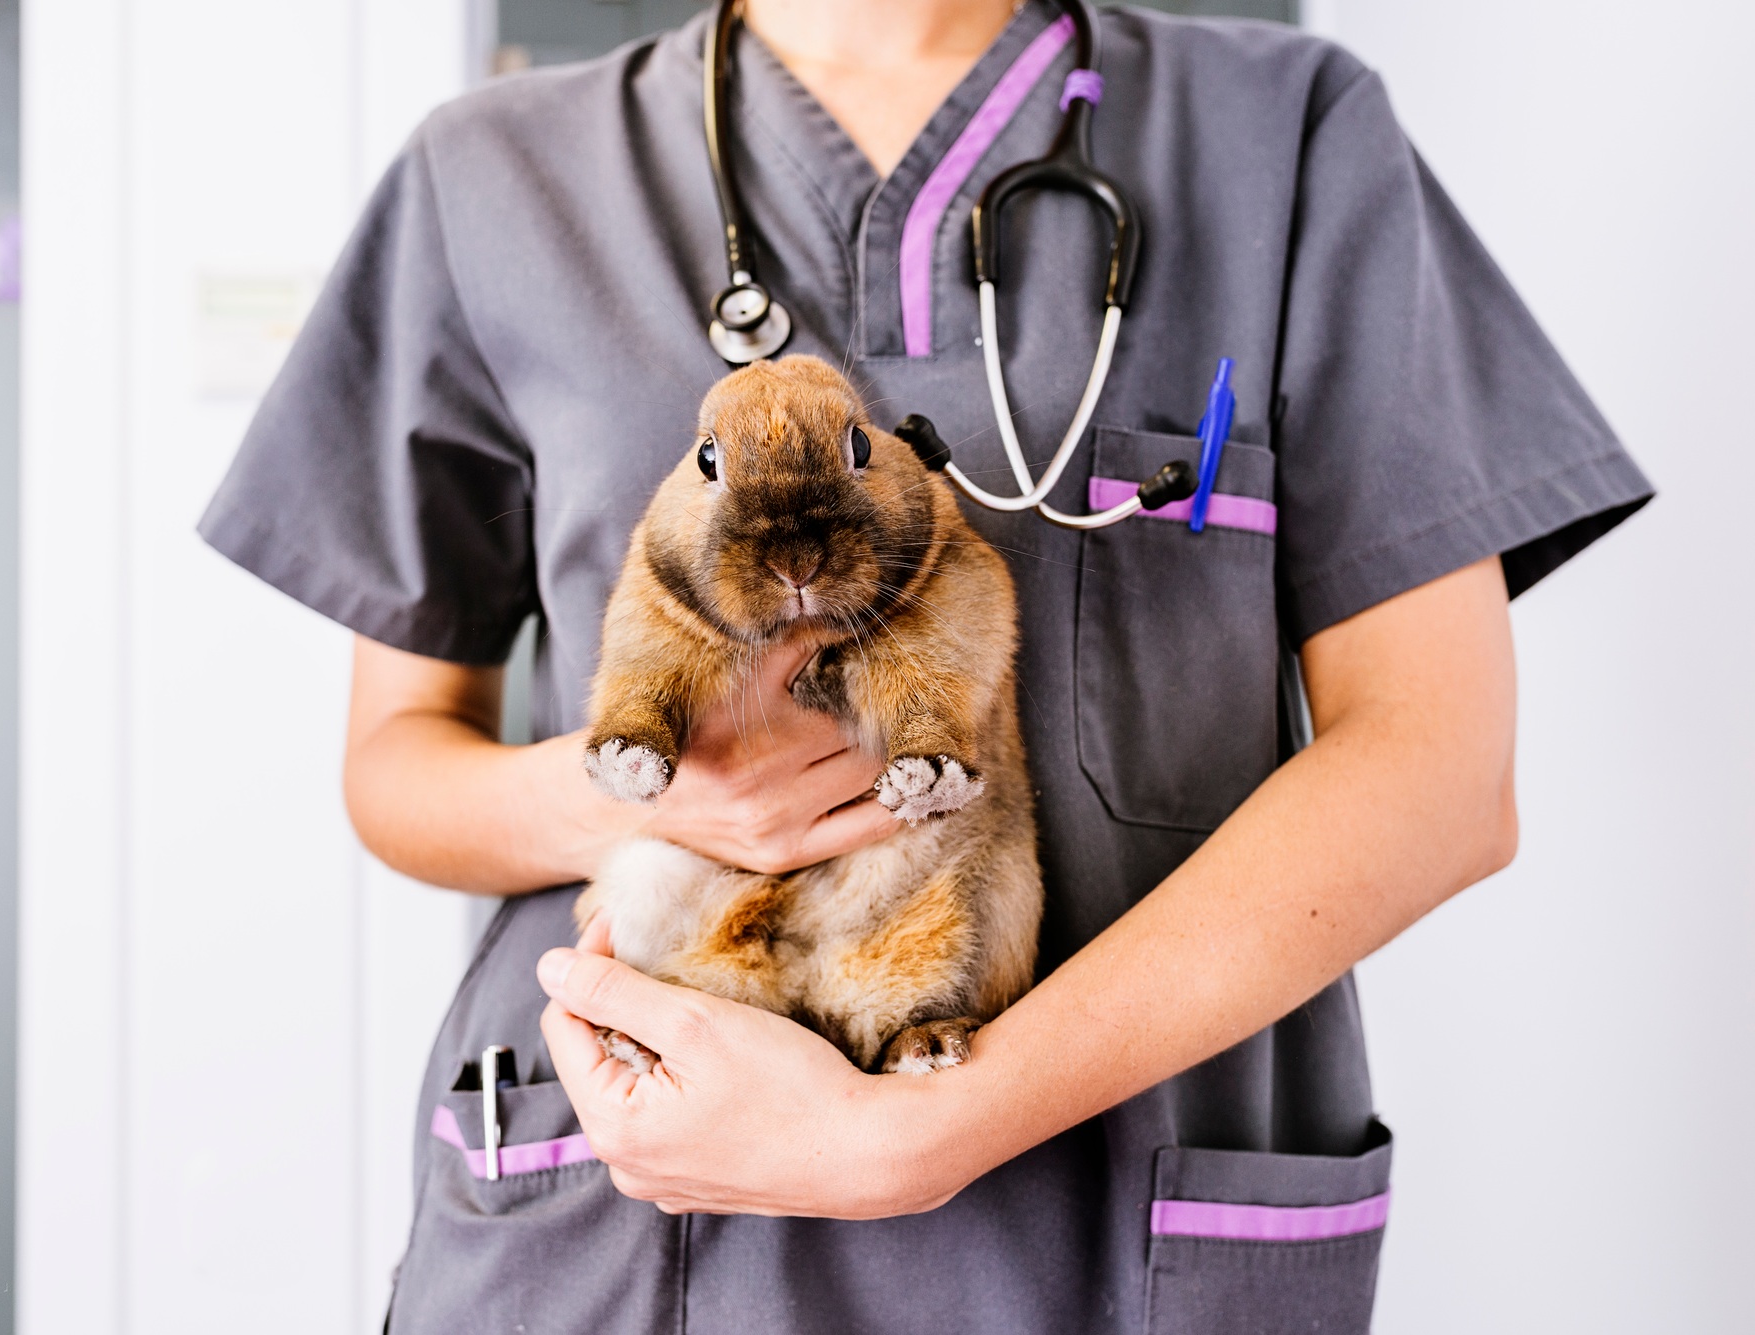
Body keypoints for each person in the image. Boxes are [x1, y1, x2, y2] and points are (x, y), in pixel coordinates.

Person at [199, 1, 1651, 1330]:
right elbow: (398, 768)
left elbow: (1442, 768)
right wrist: (653, 800)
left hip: (1103, 1216)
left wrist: (937, 1123)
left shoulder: (1285, 135)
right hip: (630, 1226)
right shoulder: (497, 174)